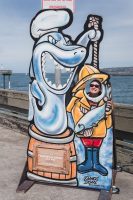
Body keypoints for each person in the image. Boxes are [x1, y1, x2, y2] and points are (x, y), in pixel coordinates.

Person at [67, 65, 112, 176]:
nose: (94, 87)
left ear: (100, 87)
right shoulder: (79, 98)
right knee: (88, 146)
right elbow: (69, 109)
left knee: (96, 146)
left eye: (97, 85)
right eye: (91, 85)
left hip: (99, 130)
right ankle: (88, 163)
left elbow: (108, 114)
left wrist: (108, 110)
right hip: (84, 130)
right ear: (87, 86)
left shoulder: (105, 100)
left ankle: (96, 164)